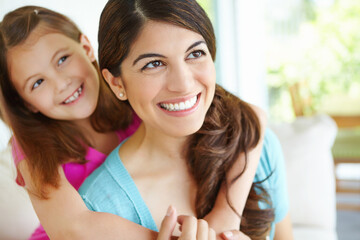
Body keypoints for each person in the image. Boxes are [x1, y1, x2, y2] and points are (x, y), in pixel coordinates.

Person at [0, 5, 271, 240]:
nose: (61, 83)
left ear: (85, 47)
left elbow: (251, 115)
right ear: (26, 103)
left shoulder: (139, 92)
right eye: (37, 83)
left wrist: (226, 212)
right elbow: (73, 229)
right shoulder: (30, 145)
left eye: (62, 59)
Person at [78, 0, 293, 240]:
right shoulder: (99, 206)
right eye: (154, 64)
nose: (183, 84)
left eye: (195, 53)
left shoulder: (257, 146)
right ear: (117, 83)